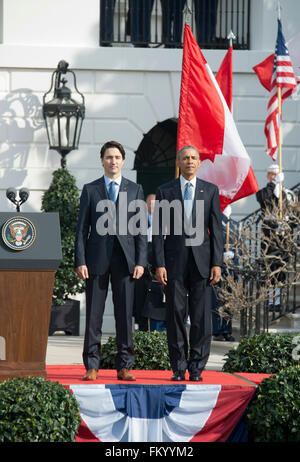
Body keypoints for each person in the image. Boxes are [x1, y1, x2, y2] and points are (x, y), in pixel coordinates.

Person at [75, 140, 148, 381]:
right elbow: (81, 230)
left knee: (124, 316)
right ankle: (92, 366)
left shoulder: (135, 189)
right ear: (102, 160)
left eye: (117, 157)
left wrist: (140, 261)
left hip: (126, 262)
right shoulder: (90, 189)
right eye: (108, 157)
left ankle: (125, 365)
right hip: (96, 261)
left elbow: (139, 231)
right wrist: (80, 260)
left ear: (123, 161)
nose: (113, 161)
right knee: (94, 315)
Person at [152, 145, 223, 381]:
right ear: (178, 162)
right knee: (175, 316)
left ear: (199, 163)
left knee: (201, 318)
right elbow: (158, 232)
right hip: (174, 264)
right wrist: (159, 264)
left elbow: (216, 231)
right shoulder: (165, 191)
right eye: (185, 158)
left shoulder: (210, 190)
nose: (190, 161)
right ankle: (179, 367)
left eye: (193, 158)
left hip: (203, 264)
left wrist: (217, 263)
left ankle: (196, 368)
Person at [256, 164, 288, 311]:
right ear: (268, 176)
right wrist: (273, 185)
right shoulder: (264, 192)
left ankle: (278, 301)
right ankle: (269, 300)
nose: (274, 177)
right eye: (272, 175)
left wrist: (287, 224)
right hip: (269, 236)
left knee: (281, 268)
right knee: (269, 267)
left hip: (282, 237)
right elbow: (263, 200)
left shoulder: (285, 194)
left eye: (276, 175)